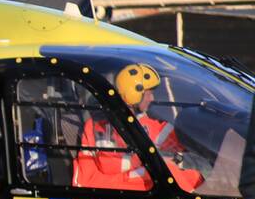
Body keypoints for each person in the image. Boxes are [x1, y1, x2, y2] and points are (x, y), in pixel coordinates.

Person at [74, 63, 202, 191]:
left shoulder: (151, 125)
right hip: (110, 192)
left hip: (138, 188)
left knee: (189, 175)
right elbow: (105, 167)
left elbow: (184, 151)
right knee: (170, 171)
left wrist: (175, 158)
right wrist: (151, 162)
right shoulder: (96, 126)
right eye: (149, 93)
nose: (152, 98)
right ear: (134, 94)